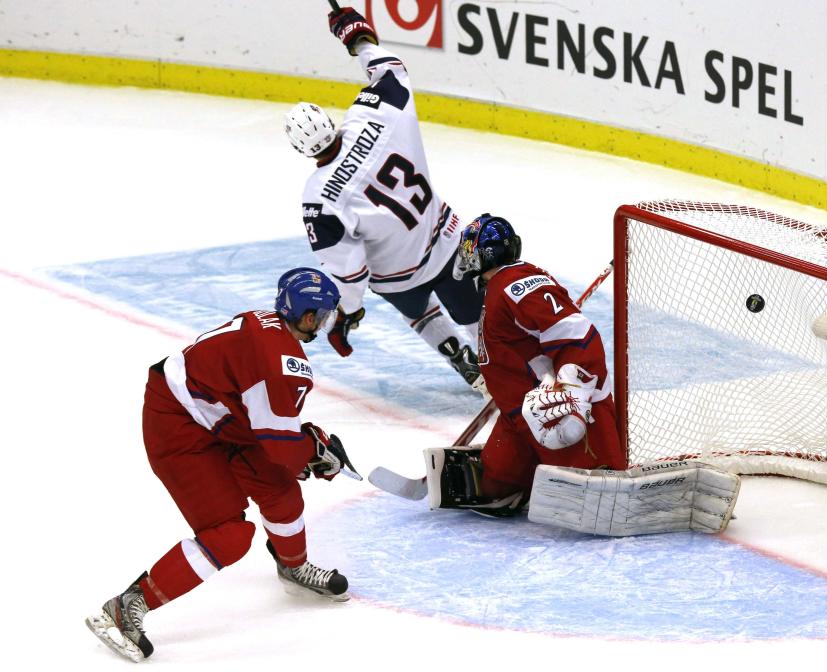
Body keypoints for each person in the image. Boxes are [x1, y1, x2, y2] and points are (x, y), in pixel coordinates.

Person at [85, 268, 360, 663]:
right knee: (228, 535)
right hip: (177, 425)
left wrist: (307, 444)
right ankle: (124, 608)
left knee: (279, 488)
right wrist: (314, 454)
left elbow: (266, 423)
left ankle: (293, 566)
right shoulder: (283, 361)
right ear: (309, 317)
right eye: (326, 313)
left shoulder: (263, 322)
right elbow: (283, 448)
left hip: (217, 415)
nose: (328, 321)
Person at [284, 5, 483, 390]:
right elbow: (392, 71)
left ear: (301, 150)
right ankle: (505, 366)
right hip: (445, 239)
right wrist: (357, 38)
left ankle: (463, 361)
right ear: (329, 120)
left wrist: (348, 314)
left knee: (421, 315)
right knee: (476, 314)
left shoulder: (319, 198)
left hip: (399, 278)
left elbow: (350, 270)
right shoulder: (373, 113)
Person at [422, 214, 627, 515]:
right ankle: (520, 481)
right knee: (492, 487)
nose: (465, 257)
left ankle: (598, 465)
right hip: (519, 415)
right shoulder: (501, 287)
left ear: (484, 254)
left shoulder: (513, 282)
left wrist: (574, 391)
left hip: (554, 410)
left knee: (597, 495)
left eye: (469, 250)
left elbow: (577, 333)